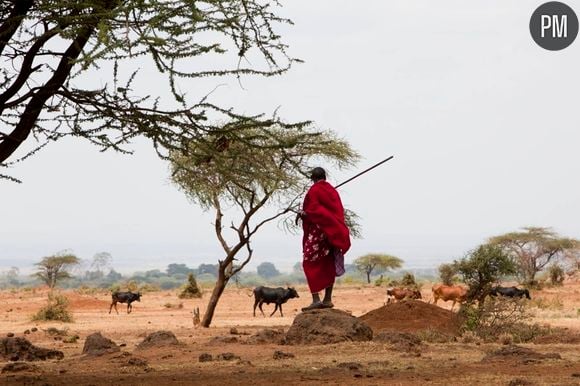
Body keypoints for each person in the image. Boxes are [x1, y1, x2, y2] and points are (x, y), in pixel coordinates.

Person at [299, 167, 351, 311]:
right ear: (325, 177)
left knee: (308, 262)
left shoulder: (314, 191)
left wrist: (304, 214)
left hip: (319, 233)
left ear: (312, 178)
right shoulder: (332, 191)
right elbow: (337, 212)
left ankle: (316, 299)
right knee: (328, 262)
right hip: (332, 233)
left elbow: (314, 211)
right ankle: (327, 299)